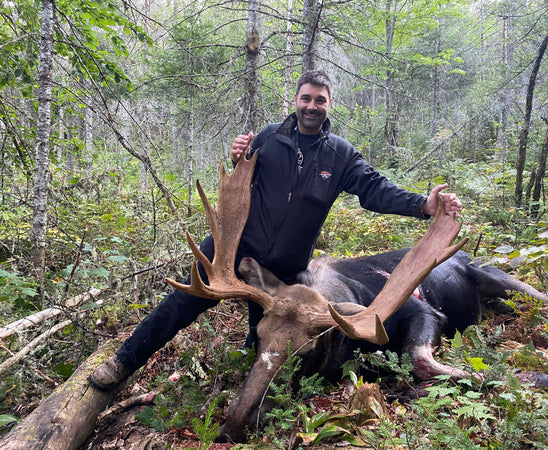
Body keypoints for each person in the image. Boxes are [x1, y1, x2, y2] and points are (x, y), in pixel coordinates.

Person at [89, 70, 462, 389]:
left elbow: (375, 189)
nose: (312, 106)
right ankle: (122, 363)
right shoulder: (268, 137)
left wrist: (423, 205)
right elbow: (243, 175)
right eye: (306, 98)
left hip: (283, 271)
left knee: (269, 338)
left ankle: (251, 362)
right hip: (235, 252)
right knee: (177, 307)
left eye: (320, 100)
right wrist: (238, 157)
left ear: (330, 104)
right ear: (295, 100)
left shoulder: (341, 155)